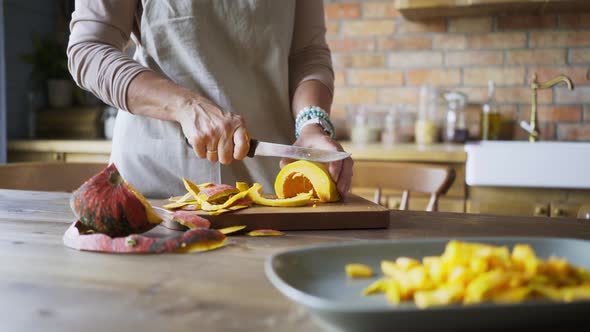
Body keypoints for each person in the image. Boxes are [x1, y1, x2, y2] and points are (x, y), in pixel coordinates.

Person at [67, 0, 353, 198]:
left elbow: (307, 54)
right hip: (158, 186)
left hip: (268, 184)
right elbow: (90, 50)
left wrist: (311, 125)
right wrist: (186, 106)